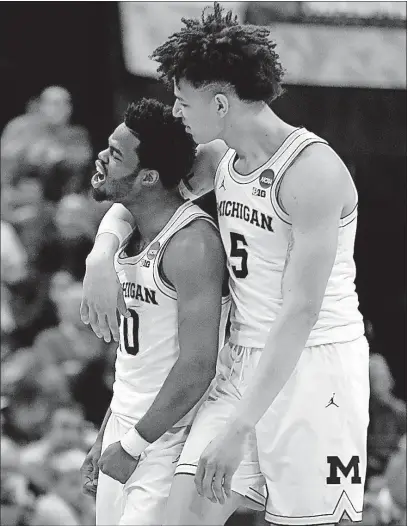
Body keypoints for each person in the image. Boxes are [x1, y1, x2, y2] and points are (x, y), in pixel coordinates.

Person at [81, 5, 369, 525]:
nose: (176, 111)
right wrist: (100, 256)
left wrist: (241, 427)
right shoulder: (218, 159)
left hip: (312, 370)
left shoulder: (313, 173)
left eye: (182, 99)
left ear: (219, 101)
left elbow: (300, 312)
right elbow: (143, 195)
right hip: (240, 362)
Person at [80, 98, 230, 526]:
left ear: (148, 177)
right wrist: (109, 431)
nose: (102, 158)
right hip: (125, 427)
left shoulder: (192, 245)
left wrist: (134, 444)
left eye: (116, 154)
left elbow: (198, 365)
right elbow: (139, 360)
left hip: (164, 439)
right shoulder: (129, 230)